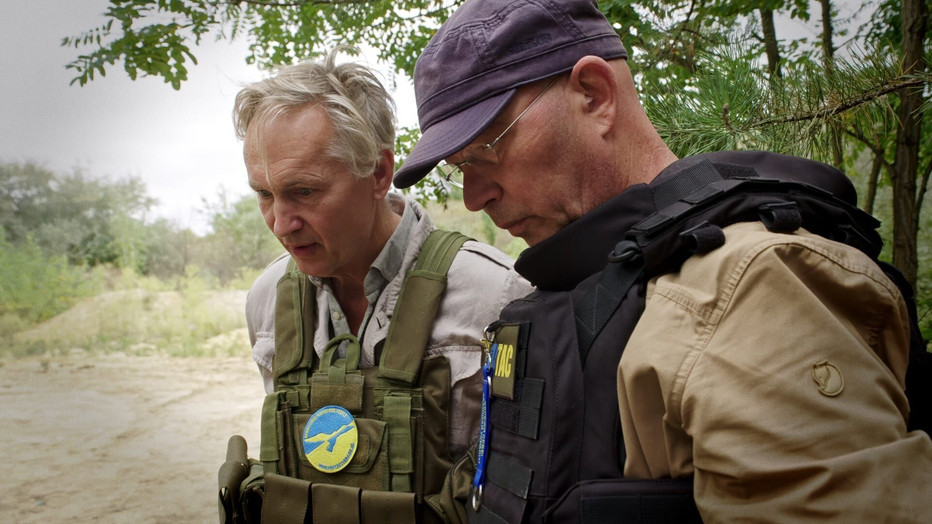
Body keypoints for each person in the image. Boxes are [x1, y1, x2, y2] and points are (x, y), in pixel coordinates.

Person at [393, 0, 932, 522]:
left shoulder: (748, 285)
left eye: (488, 147)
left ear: (594, 94)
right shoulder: (583, 285)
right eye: (458, 167)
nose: (472, 197)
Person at [228, 49, 533, 523]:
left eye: (303, 191)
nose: (281, 223)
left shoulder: (497, 296)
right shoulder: (268, 298)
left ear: (379, 173)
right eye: (265, 195)